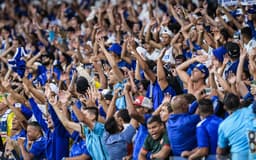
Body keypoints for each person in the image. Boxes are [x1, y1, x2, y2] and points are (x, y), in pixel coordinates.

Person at [217, 93, 254, 160]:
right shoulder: (251, 110)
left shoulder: (223, 125)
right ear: (239, 102)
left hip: (238, 156)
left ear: (224, 107)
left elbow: (220, 150)